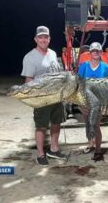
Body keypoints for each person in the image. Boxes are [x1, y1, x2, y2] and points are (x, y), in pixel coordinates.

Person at [21, 26, 67, 166]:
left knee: (56, 123)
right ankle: (40, 154)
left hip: (56, 97)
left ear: (49, 39)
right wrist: (33, 99)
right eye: (40, 37)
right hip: (41, 99)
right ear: (35, 39)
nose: (43, 39)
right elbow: (28, 81)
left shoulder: (53, 53)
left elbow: (58, 74)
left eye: (46, 37)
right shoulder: (30, 57)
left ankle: (54, 149)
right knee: (41, 127)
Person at [78, 42, 108, 161]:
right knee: (87, 124)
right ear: (90, 53)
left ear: (101, 53)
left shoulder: (105, 67)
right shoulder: (84, 66)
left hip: (98, 102)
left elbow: (107, 86)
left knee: (95, 125)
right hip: (85, 101)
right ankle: (90, 144)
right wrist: (80, 103)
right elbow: (79, 85)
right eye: (93, 51)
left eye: (98, 51)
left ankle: (98, 150)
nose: (95, 52)